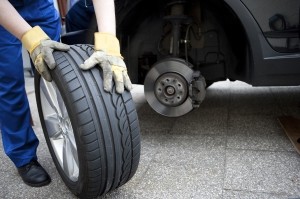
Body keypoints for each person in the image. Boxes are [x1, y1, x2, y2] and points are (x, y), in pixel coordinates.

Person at [0, 0, 132, 187]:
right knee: (9, 82)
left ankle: (68, 132)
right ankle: (23, 157)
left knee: (53, 70)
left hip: (39, 5)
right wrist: (28, 37)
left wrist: (108, 42)